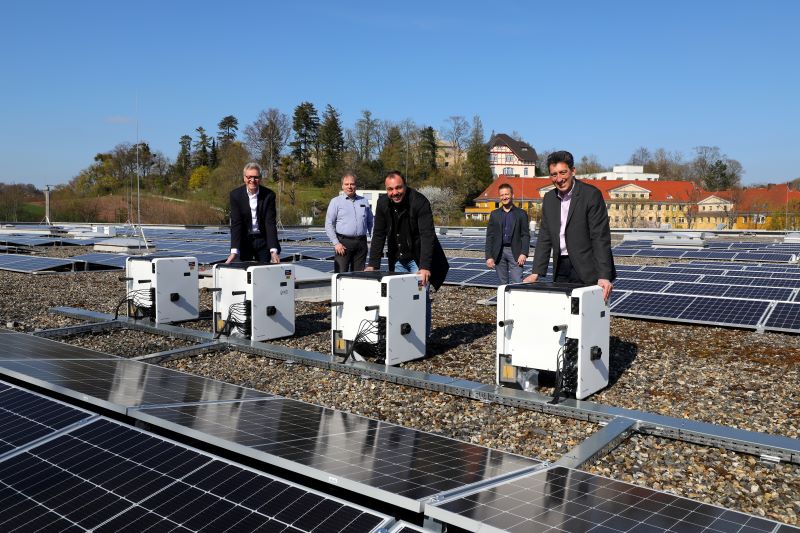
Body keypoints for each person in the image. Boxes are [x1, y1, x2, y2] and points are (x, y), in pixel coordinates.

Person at [365, 170, 449, 337]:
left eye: (398, 188)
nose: (395, 193)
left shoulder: (419, 202)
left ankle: (423, 339)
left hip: (417, 259)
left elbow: (427, 235)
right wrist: (372, 264)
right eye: (390, 189)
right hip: (398, 258)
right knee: (396, 299)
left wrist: (425, 266)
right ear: (386, 189)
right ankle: (400, 338)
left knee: (419, 300)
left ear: (405, 185)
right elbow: (379, 234)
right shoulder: (382, 204)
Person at [524, 151, 615, 299]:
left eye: (563, 172)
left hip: (588, 267)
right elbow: (545, 236)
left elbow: (600, 237)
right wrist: (536, 272)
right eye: (554, 174)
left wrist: (604, 275)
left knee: (585, 316)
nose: (559, 179)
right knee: (562, 311)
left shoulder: (591, 195)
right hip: (561, 266)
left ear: (573, 171)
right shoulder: (549, 199)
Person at [226, 162, 280, 264]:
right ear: (244, 178)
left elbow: (270, 223)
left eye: (256, 177)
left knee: (264, 272)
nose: (252, 180)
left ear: (260, 178)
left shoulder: (269, 195)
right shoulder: (235, 195)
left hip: (263, 241)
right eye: (249, 177)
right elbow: (236, 223)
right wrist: (234, 251)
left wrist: (273, 251)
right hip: (245, 241)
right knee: (244, 274)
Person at [324, 172, 374, 272]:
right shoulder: (335, 201)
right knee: (341, 275)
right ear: (342, 186)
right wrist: (336, 243)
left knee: (359, 275)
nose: (349, 186)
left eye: (352, 184)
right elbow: (329, 224)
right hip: (343, 244)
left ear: (356, 185)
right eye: (347, 184)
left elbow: (371, 222)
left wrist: (374, 239)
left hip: (361, 243)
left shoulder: (364, 201)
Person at [485, 183, 530, 284]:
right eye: (502, 195)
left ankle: (516, 300)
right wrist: (489, 256)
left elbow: (525, 235)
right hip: (499, 252)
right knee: (503, 284)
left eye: (507, 194)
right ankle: (505, 300)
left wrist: (524, 253)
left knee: (517, 282)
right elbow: (490, 236)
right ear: (499, 197)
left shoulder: (521, 214)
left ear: (512, 195)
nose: (504, 197)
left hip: (516, 252)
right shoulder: (494, 214)